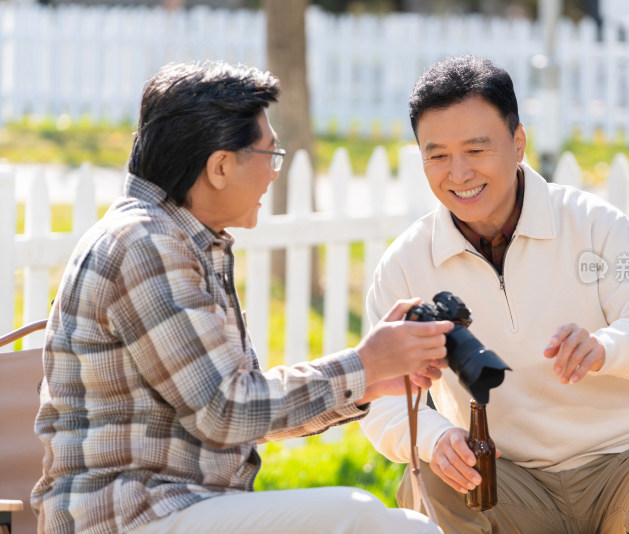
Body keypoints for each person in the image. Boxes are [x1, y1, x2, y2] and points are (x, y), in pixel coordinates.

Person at [30, 61, 452, 534]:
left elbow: (237, 409)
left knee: (405, 527)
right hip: (128, 518)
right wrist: (364, 364)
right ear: (221, 166)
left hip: (174, 509)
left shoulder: (177, 240)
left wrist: (370, 383)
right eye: (270, 155)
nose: (274, 174)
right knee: (362, 516)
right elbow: (226, 412)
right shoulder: (145, 245)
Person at [359, 55, 629, 533]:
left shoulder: (592, 222)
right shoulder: (405, 262)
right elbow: (379, 398)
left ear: (518, 142)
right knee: (436, 481)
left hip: (626, 463)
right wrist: (435, 436)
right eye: (437, 154)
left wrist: (604, 347)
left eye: (476, 149)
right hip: (508, 478)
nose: (458, 173)